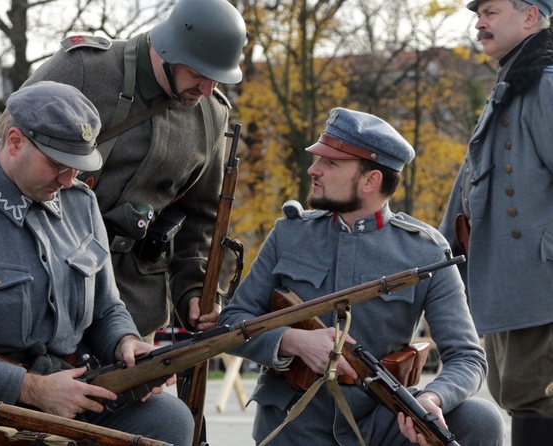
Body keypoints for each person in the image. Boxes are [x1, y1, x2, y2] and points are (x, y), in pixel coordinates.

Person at [0, 81, 194, 445]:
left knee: (168, 418)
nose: (69, 180)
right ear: (15, 141)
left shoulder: (81, 205)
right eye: (57, 164)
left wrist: (125, 343)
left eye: (77, 168)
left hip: (74, 389)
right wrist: (32, 389)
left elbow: (106, 308)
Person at [217, 108, 506, 445]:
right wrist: (292, 341)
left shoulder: (426, 251)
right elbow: (232, 323)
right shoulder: (290, 234)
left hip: (382, 424)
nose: (314, 170)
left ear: (371, 180)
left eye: (331, 163)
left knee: (479, 419)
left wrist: (432, 399)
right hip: (295, 424)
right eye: (318, 160)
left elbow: (467, 356)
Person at [0, 0, 248, 341]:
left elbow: (199, 217)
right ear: (168, 49)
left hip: (134, 309)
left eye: (217, 81)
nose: (208, 91)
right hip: (42, 292)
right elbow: (1, 155)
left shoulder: (211, 115)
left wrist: (193, 290)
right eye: (198, 75)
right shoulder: (84, 68)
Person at [439, 1, 553, 444]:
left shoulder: (542, 85)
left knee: (536, 398)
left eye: (491, 11)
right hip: (510, 279)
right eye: (478, 13)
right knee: (519, 393)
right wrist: (442, 249)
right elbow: (472, 185)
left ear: (529, 17)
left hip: (539, 281)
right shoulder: (513, 84)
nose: (479, 22)